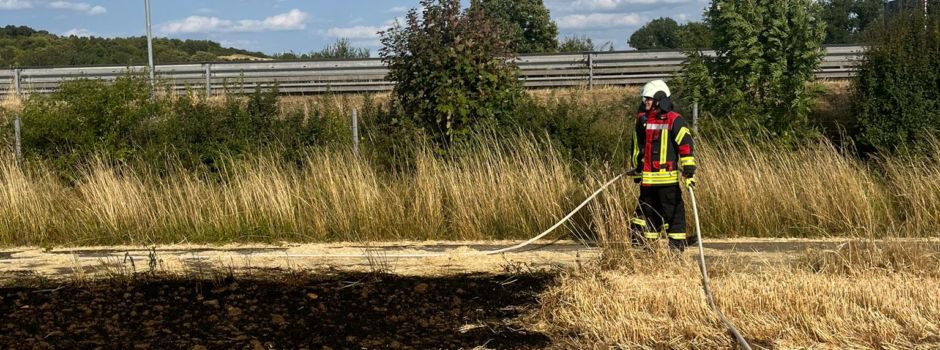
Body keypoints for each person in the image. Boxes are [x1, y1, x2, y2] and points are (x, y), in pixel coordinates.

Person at [626, 80, 697, 252]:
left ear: (659, 99)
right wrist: (637, 170)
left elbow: (685, 144)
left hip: (664, 181)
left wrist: (689, 170)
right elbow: (638, 148)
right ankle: (652, 251)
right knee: (654, 215)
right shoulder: (646, 121)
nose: (645, 102)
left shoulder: (670, 120)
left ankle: (672, 249)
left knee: (667, 215)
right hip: (651, 182)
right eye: (644, 99)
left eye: (648, 99)